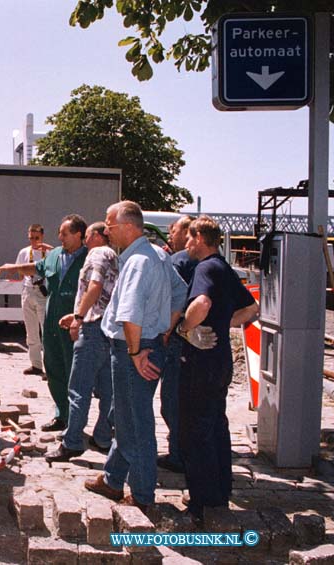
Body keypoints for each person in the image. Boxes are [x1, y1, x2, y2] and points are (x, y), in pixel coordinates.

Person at [84, 201, 187, 512]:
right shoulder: (157, 254)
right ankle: (114, 479)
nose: (106, 231)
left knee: (136, 422)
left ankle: (142, 495)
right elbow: (180, 294)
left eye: (109, 226)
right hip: (148, 345)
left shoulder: (138, 262)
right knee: (127, 418)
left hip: (133, 350)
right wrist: (164, 333)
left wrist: (136, 350)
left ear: (127, 226)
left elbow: (129, 316)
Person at [176, 216, 258, 523]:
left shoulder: (206, 268)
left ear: (199, 238)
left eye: (188, 238)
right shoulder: (225, 267)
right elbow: (252, 309)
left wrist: (186, 328)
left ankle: (202, 502)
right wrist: (224, 325)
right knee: (216, 427)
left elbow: (202, 303)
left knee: (193, 432)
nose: (185, 244)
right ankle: (220, 491)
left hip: (200, 362)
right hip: (221, 359)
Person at [0, 215, 88, 432]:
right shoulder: (55, 255)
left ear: (78, 235)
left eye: (64, 233)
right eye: (59, 233)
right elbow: (37, 267)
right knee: (54, 369)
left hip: (75, 323)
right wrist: (13, 267)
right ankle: (61, 415)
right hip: (52, 321)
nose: (60, 237)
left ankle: (76, 422)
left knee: (74, 373)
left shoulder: (89, 257)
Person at [46, 222, 118, 462]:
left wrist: (79, 317)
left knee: (79, 387)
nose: (86, 241)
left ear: (96, 236)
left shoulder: (97, 253)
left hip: (92, 329)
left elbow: (95, 285)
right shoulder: (113, 256)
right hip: (108, 328)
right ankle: (103, 436)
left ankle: (73, 441)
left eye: (87, 236)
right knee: (107, 387)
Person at [157, 215, 198, 474]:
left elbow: (168, 300)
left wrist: (170, 329)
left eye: (173, 231)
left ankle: (178, 454)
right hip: (197, 343)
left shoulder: (178, 262)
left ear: (187, 232)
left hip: (175, 341)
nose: (169, 236)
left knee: (171, 399)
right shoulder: (206, 263)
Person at [14, 224, 53, 375]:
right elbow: (19, 271)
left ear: (42, 236)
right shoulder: (24, 252)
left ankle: (50, 368)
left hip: (43, 292)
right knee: (31, 331)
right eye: (31, 238)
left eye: (37, 238)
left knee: (46, 331)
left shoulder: (49, 252)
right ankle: (36, 364)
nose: (34, 241)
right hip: (28, 290)